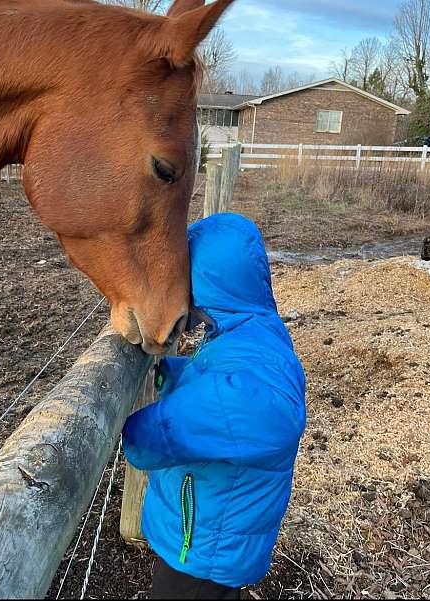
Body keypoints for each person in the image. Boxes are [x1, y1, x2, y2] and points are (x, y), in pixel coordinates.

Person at [122, 213, 307, 600]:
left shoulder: (252, 373)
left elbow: (250, 406)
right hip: (209, 530)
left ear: (204, 283)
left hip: (205, 548)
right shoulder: (246, 328)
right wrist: (175, 374)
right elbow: (224, 376)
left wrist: (138, 431)